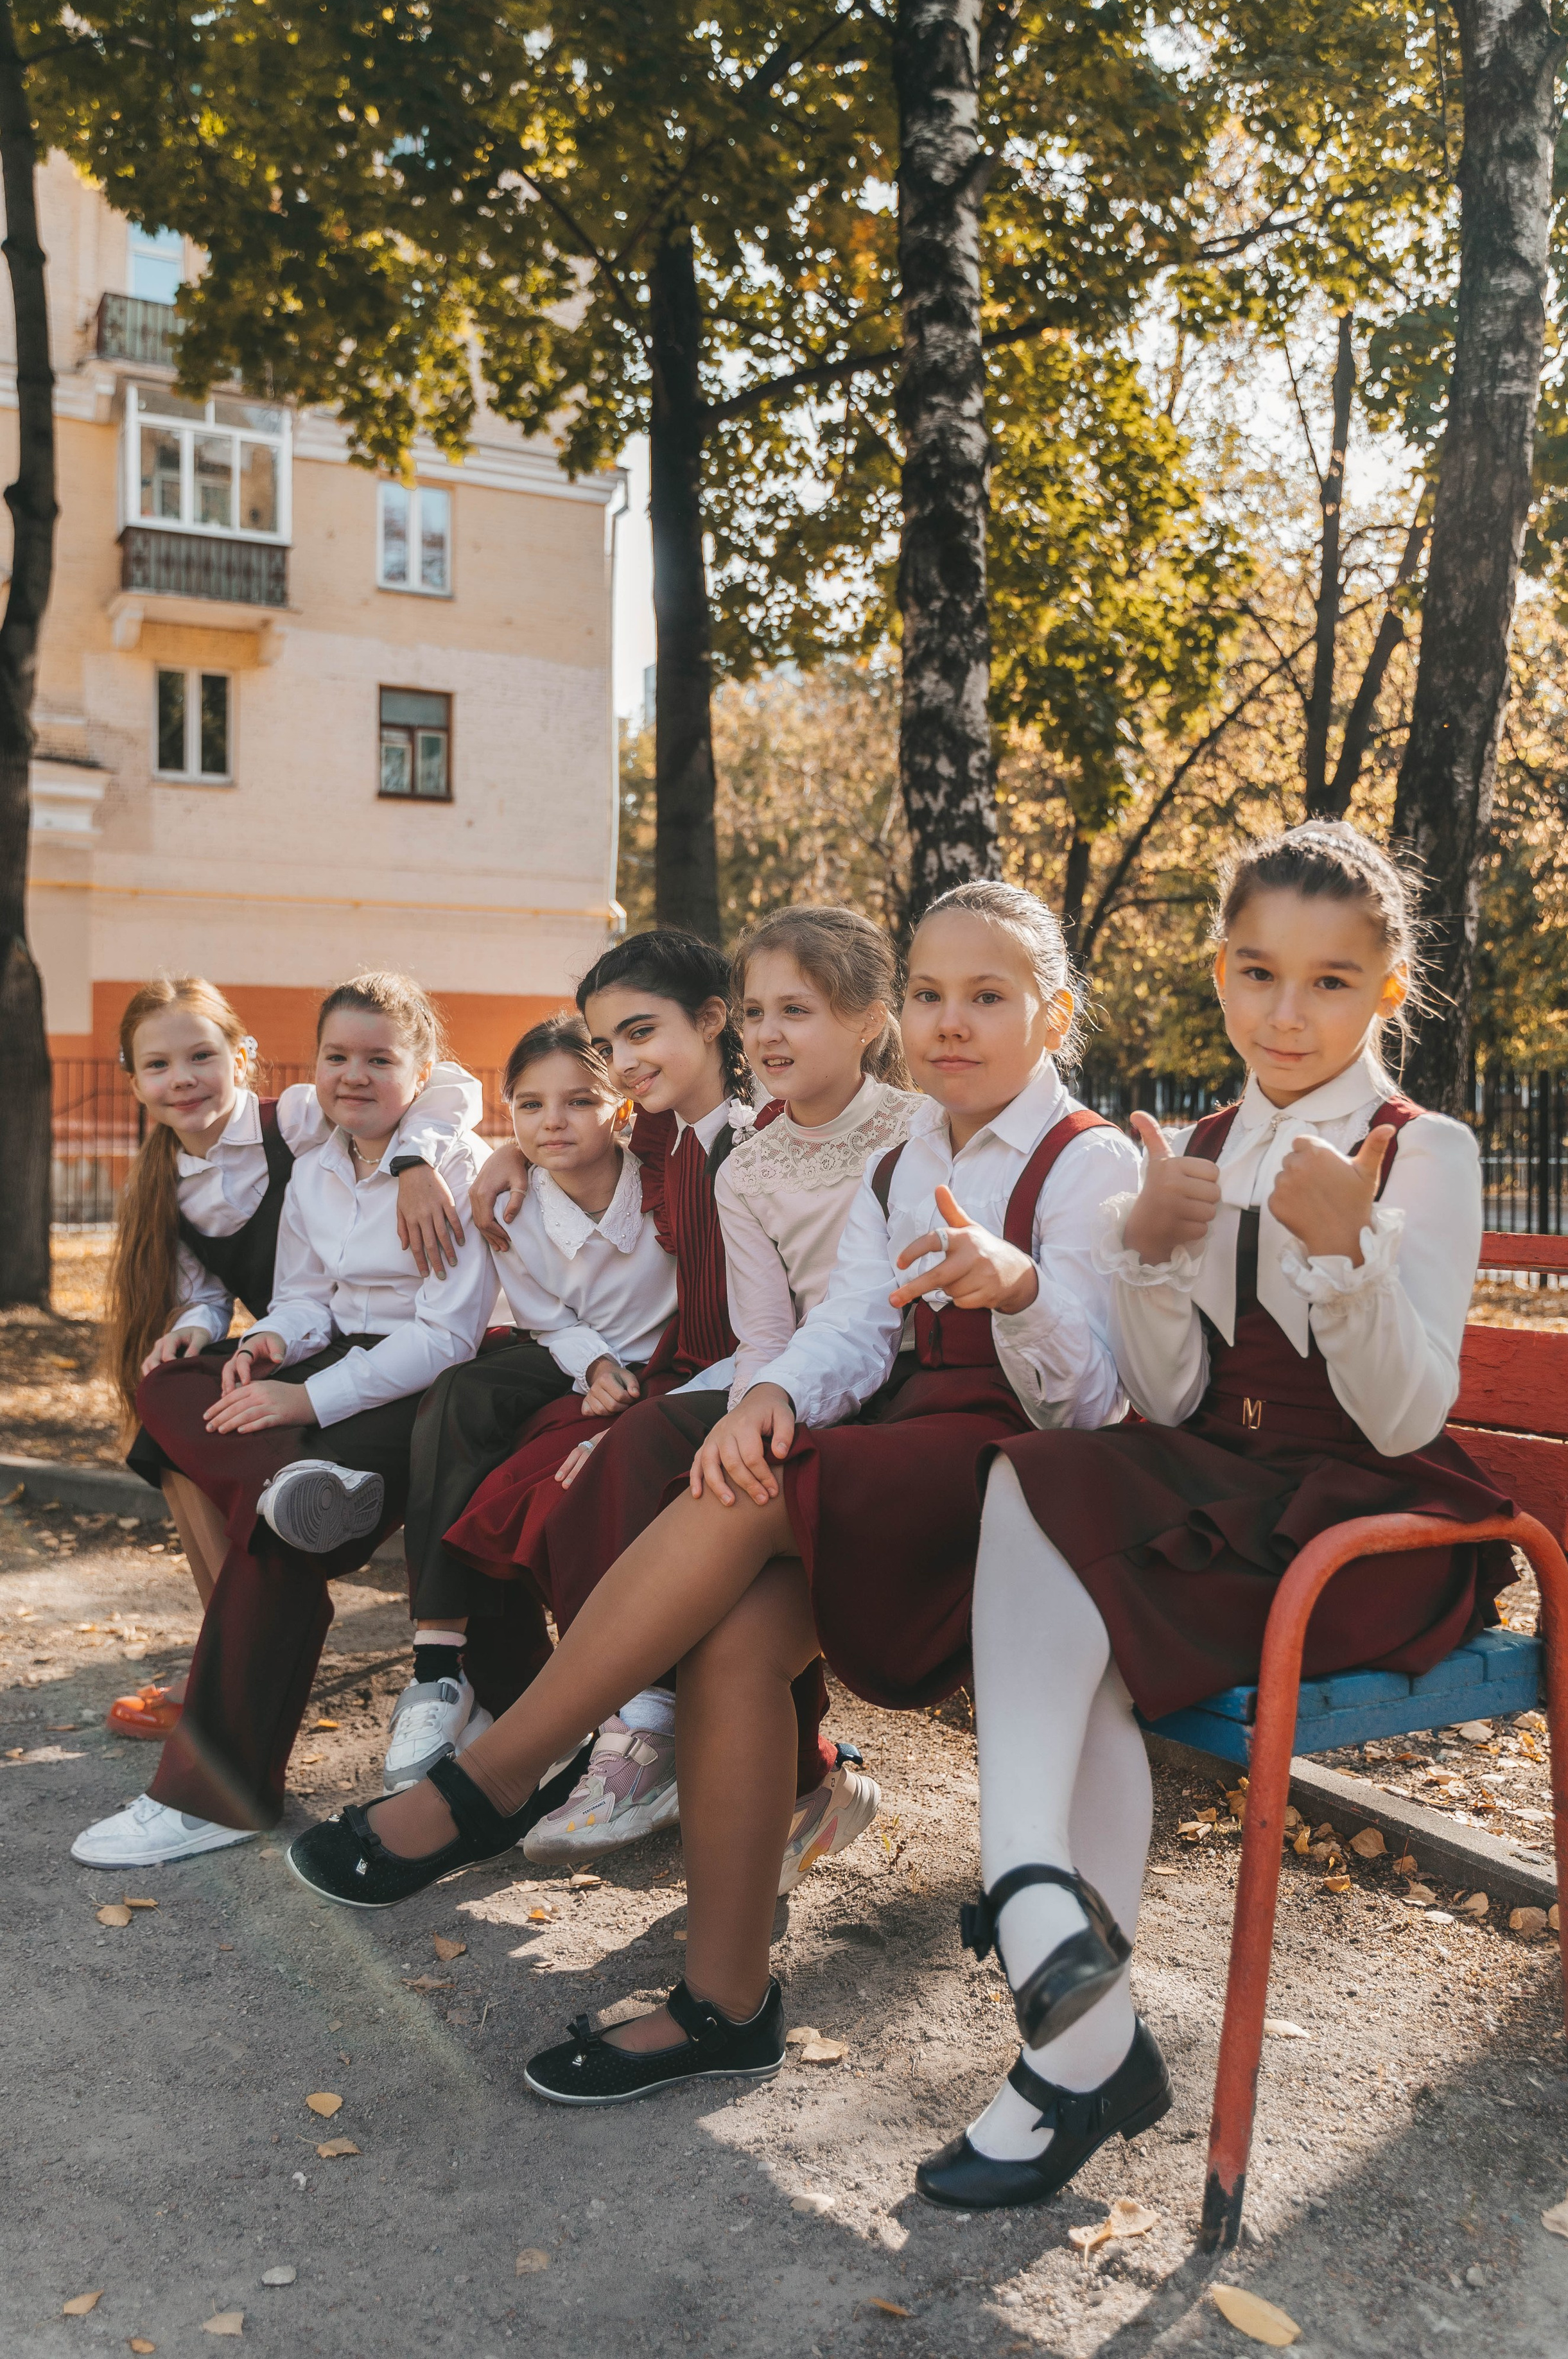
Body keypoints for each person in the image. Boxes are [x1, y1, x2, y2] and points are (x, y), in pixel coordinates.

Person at [285, 881, 1142, 2117]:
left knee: (748, 1486)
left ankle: (495, 1776)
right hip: (906, 1449)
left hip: (1024, 1480)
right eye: (933, 993)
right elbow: (852, 1325)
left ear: (1052, 1015)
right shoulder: (910, 1159)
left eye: (988, 996)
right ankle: (725, 2005)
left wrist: (1018, 1291)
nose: (952, 1021)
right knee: (737, 1621)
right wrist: (771, 1393)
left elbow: (1095, 1402)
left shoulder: (1089, 1157)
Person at [914, 819, 1517, 2212]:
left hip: (1364, 1525)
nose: (1285, 1013)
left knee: (1061, 1540)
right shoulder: (1191, 1145)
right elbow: (1170, 1393)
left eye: (1328, 981)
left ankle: (1043, 1959)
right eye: (1256, 972)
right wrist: (1145, 1249)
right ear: (1219, 972)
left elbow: (1406, 1413)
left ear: (1386, 989)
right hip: (1224, 1495)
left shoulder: (1421, 1147)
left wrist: (1346, 1248)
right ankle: (1074, 2019)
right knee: (1036, 1473)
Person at [453, 903, 918, 1883]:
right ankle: (567, 1713)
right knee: (520, 1459)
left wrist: (721, 1407)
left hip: (847, 1380)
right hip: (746, 1372)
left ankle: (661, 1734)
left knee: (647, 1457)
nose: (622, 1062)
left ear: (708, 1023)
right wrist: (508, 1150)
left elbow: (818, 1319)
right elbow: (759, 1326)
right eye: (607, 1045)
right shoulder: (680, 1144)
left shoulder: (777, 1136)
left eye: (640, 1032)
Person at [70, 973, 548, 1870]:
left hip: (434, 1377)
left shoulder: (442, 1161)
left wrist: (307, 1399)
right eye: (337, 1056)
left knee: (273, 1539)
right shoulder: (321, 1164)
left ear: (417, 1072)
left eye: (378, 1059)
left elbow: (445, 1338)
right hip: (337, 1357)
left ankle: (213, 1796)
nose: (353, 1074)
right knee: (172, 1385)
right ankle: (292, 1486)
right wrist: (269, 1344)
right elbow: (302, 1296)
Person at [102, 974, 475, 1740]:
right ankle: (232, 1640)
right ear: (133, 1080)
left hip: (355, 1338)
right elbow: (210, 1292)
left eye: (201, 1056)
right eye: (158, 1065)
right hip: (298, 1330)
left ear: (242, 1057)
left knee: (210, 1435)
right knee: (167, 1408)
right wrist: (198, 1329)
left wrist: (413, 1162)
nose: (183, 1079)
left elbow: (443, 1084)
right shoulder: (162, 1181)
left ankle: (242, 1651)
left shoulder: (301, 1118)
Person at [386, 1013, 676, 1788]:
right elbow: (548, 1318)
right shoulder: (510, 1207)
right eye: (530, 1105)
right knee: (459, 1392)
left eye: (580, 1101)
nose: (553, 1121)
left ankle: (617, 1701)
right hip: (573, 1353)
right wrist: (596, 1365)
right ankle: (438, 1665)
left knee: (571, 1479)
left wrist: (631, 1378)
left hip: (673, 1362)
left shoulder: (664, 1185)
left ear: (619, 1106)